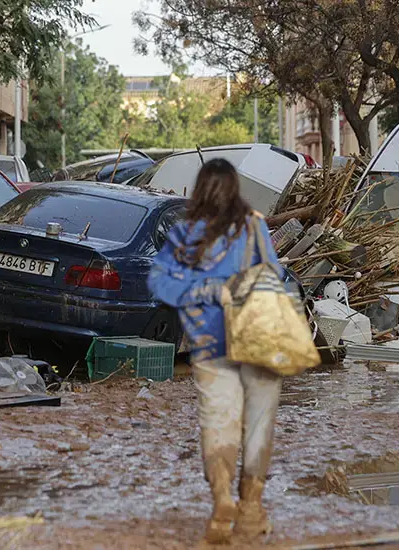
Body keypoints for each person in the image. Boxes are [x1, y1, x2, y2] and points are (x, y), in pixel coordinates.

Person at [148, 159, 287, 544]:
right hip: (256, 343)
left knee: (218, 423)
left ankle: (222, 499)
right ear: (236, 188)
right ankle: (251, 510)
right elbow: (275, 276)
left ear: (200, 189)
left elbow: (159, 284)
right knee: (258, 426)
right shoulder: (255, 225)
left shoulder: (185, 233)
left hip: (209, 347)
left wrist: (201, 292)